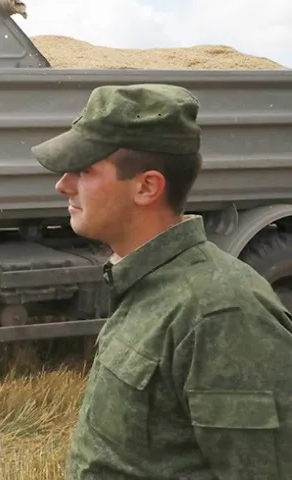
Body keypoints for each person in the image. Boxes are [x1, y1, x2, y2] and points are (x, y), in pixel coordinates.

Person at [31, 83, 292, 479]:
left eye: (84, 170)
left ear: (147, 187)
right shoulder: (151, 283)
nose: (63, 184)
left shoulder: (221, 313)